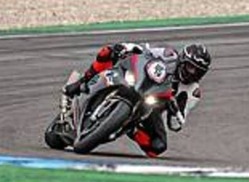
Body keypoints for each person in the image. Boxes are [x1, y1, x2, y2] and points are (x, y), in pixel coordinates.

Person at [61, 41, 211, 157]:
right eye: (191, 67)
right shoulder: (169, 55)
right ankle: (82, 81)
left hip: (152, 107)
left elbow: (176, 124)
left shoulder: (192, 91)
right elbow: (144, 50)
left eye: (198, 72)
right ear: (182, 60)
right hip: (137, 81)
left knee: (157, 147)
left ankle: (131, 128)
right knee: (108, 51)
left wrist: (175, 110)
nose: (193, 73)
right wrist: (125, 48)